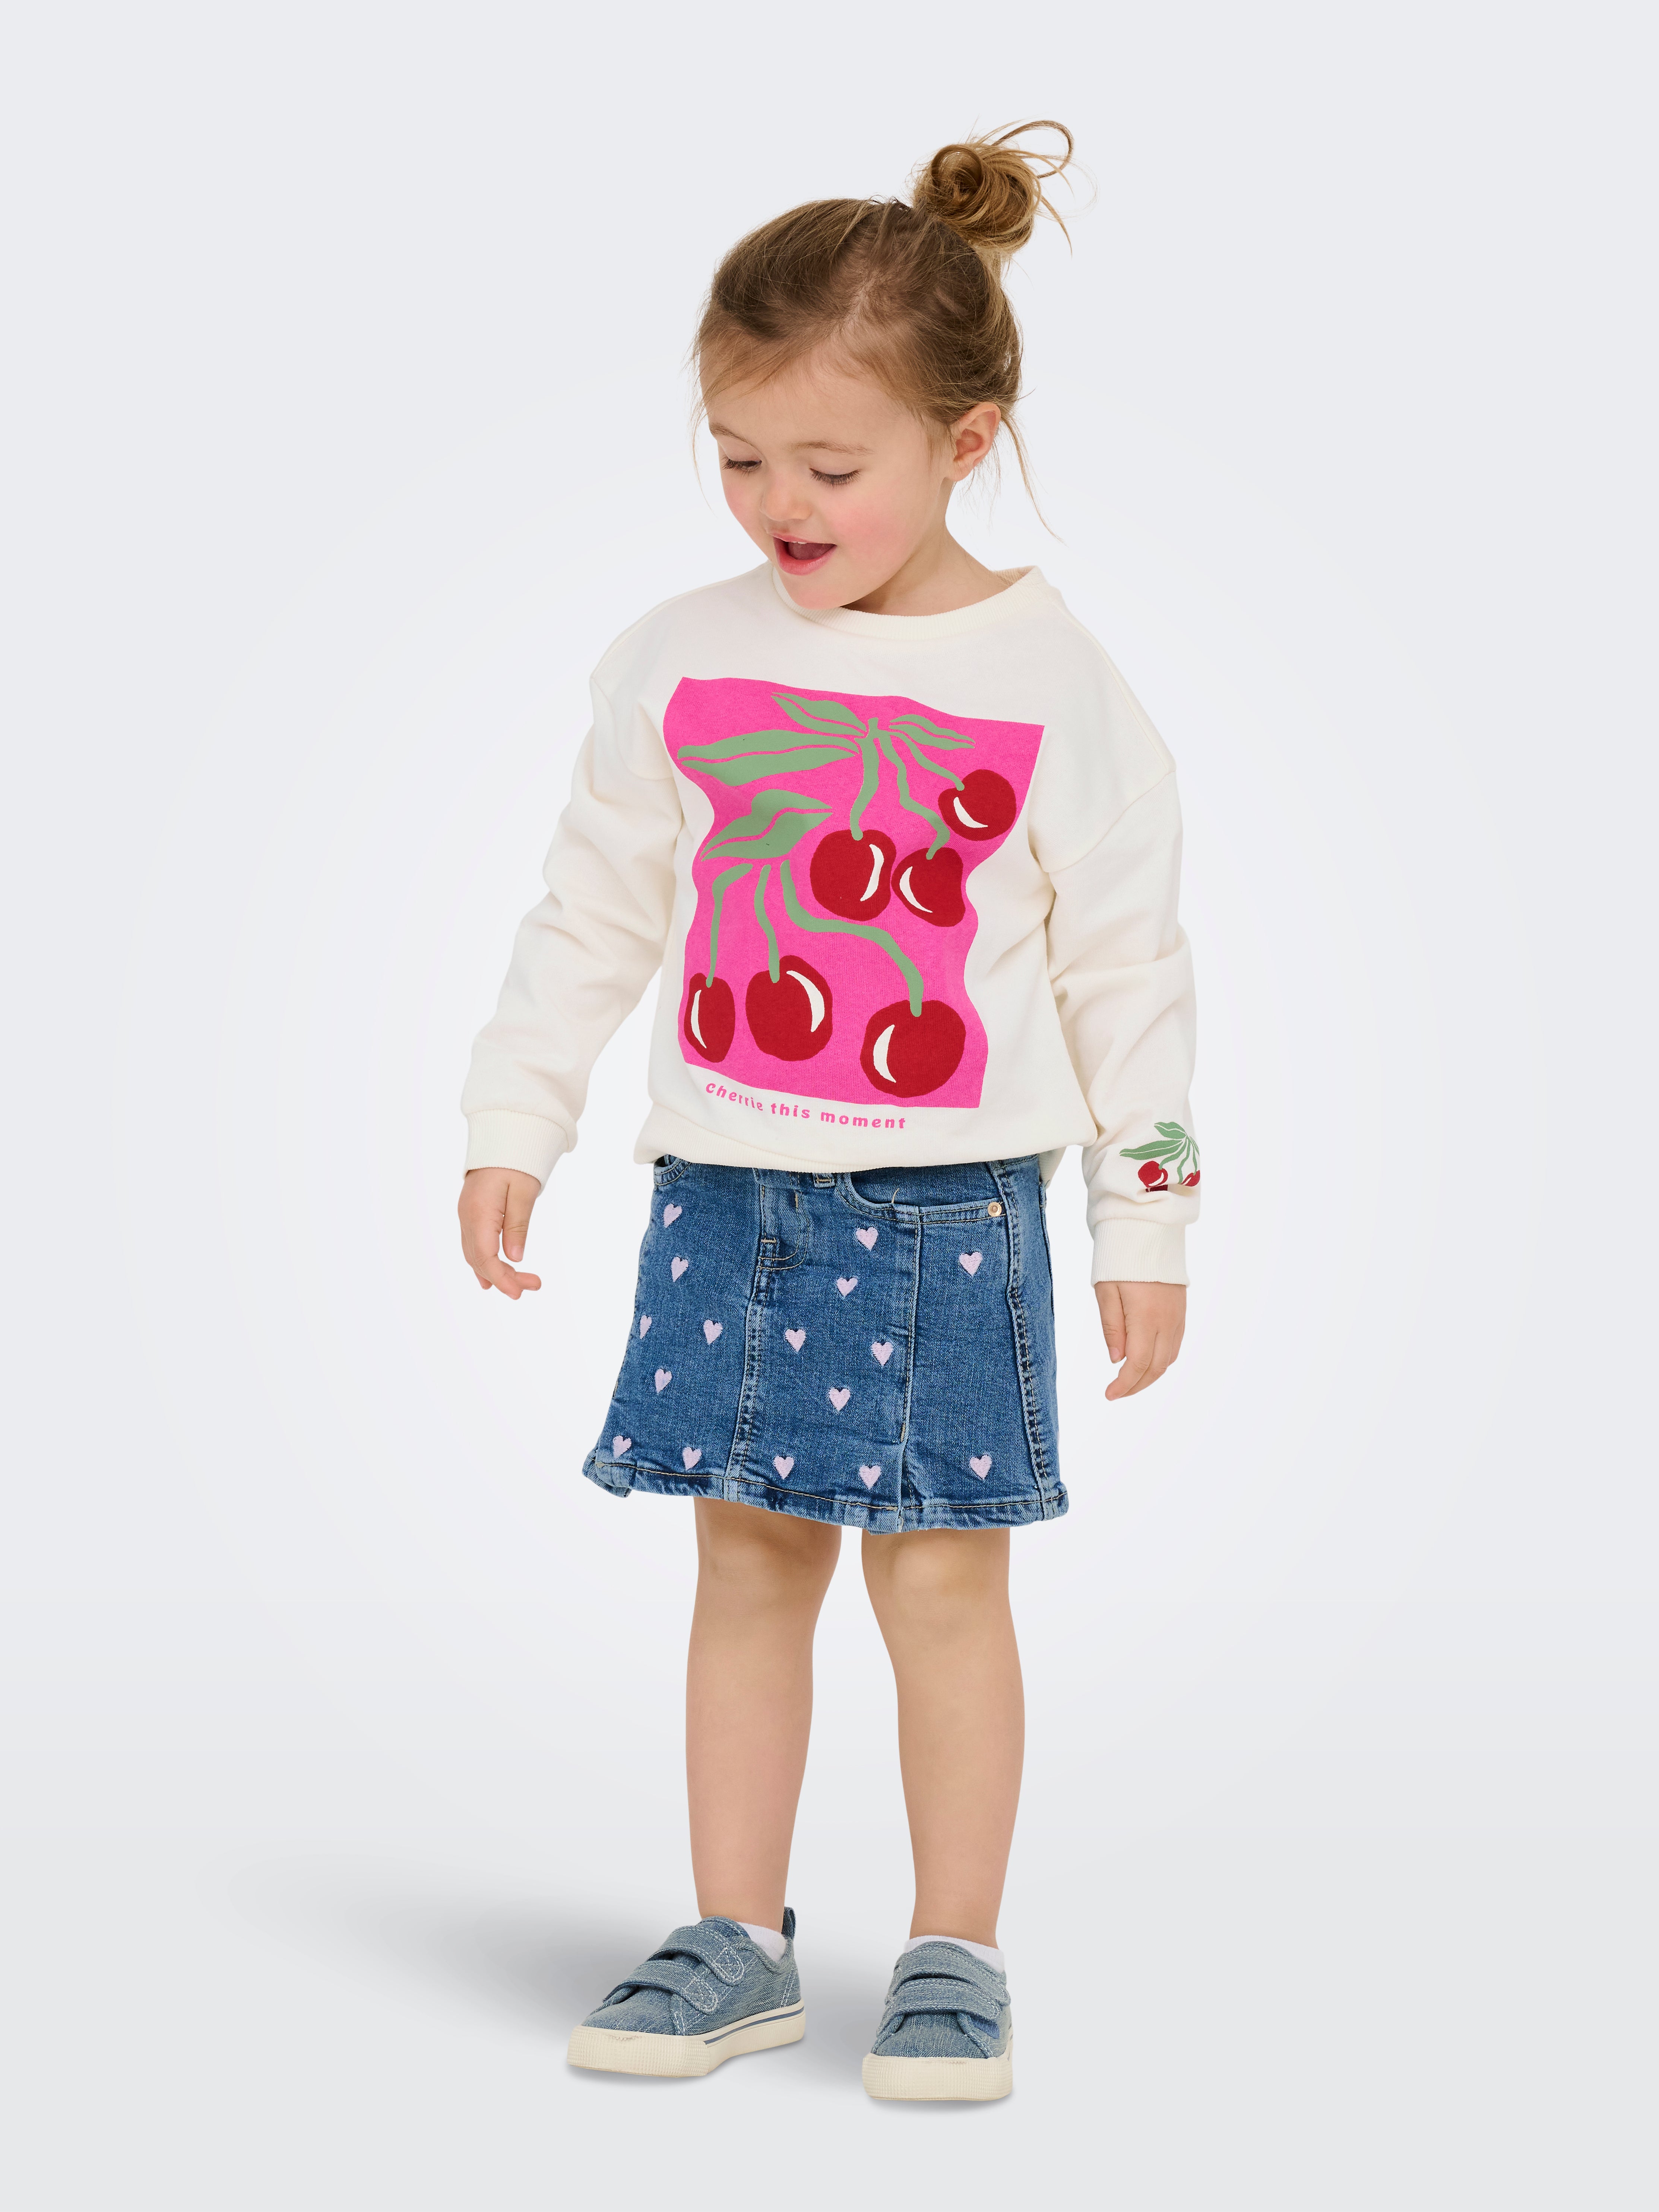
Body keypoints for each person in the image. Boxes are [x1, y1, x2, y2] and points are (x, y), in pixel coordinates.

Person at [457, 122, 1199, 2102]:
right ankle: (736, 1937)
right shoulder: (677, 658)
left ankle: (954, 1948)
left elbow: (1131, 976)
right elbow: (595, 908)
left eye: (827, 465)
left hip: (954, 1205)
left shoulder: (1057, 684)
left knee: (943, 1578)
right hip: (726, 1191)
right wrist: (515, 1119)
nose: (778, 505)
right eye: (737, 457)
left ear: (966, 440)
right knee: (747, 1562)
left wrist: (1144, 1222)